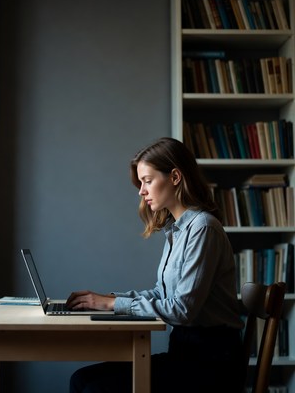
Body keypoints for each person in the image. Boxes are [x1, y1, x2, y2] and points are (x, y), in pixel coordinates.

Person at [66, 137, 245, 393]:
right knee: (81, 379)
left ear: (174, 177)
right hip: (186, 353)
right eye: (141, 183)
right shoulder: (177, 230)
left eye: (147, 181)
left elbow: (182, 310)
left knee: (95, 388)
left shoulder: (203, 228)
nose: (141, 191)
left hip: (211, 363)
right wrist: (108, 299)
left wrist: (111, 304)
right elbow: (163, 295)